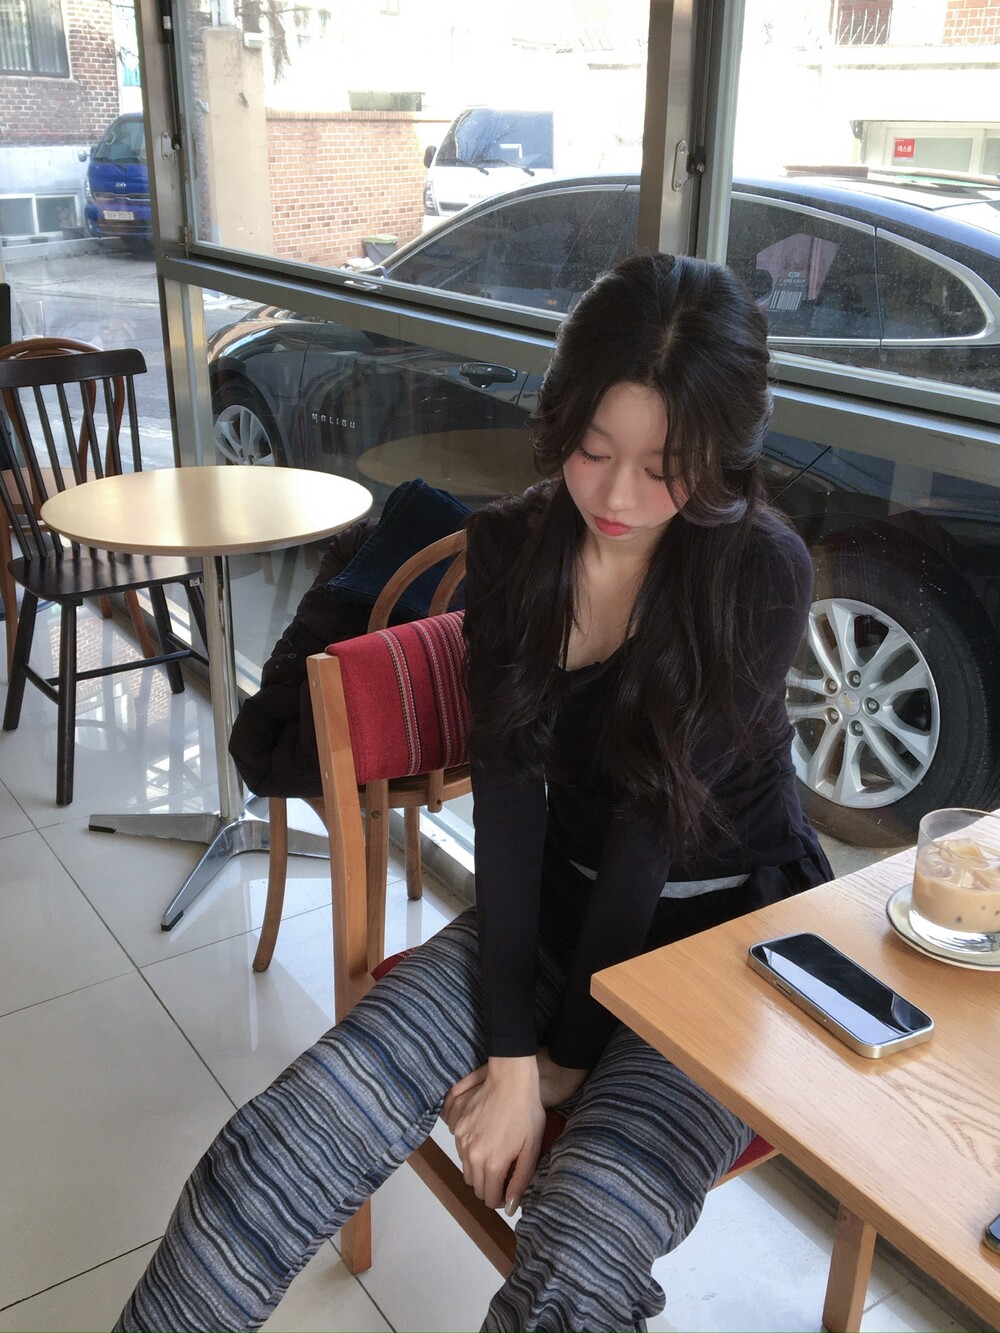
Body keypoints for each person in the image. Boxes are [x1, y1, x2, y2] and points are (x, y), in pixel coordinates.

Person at [113, 252, 832, 1333]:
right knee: (267, 1159)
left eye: (666, 466)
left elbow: (649, 828)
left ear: (722, 454)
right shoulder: (513, 550)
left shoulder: (759, 573)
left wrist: (557, 1064)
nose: (619, 497)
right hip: (554, 908)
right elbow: (508, 799)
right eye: (595, 451)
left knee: (582, 1245)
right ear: (562, 419)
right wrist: (507, 1051)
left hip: (721, 952)